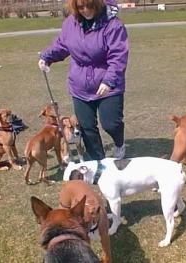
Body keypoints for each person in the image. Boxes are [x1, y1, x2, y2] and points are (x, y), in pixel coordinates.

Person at [38, 0, 129, 160]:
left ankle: (119, 143)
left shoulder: (113, 25)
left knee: (111, 124)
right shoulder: (70, 24)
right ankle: (98, 161)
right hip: (80, 85)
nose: (86, 10)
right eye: (81, 7)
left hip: (108, 85)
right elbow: (62, 45)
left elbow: (118, 56)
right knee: (87, 127)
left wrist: (109, 80)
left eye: (90, 6)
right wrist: (46, 57)